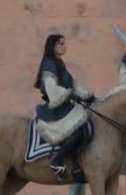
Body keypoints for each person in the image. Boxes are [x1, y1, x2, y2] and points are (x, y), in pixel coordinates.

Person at [33, 34, 95, 179]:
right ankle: (57, 161)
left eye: (64, 43)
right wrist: (69, 94)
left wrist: (87, 95)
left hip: (66, 107)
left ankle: (76, 166)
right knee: (78, 133)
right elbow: (52, 89)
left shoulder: (59, 62)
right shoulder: (49, 64)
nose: (64, 46)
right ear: (53, 46)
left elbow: (72, 84)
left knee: (86, 130)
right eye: (60, 44)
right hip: (56, 110)